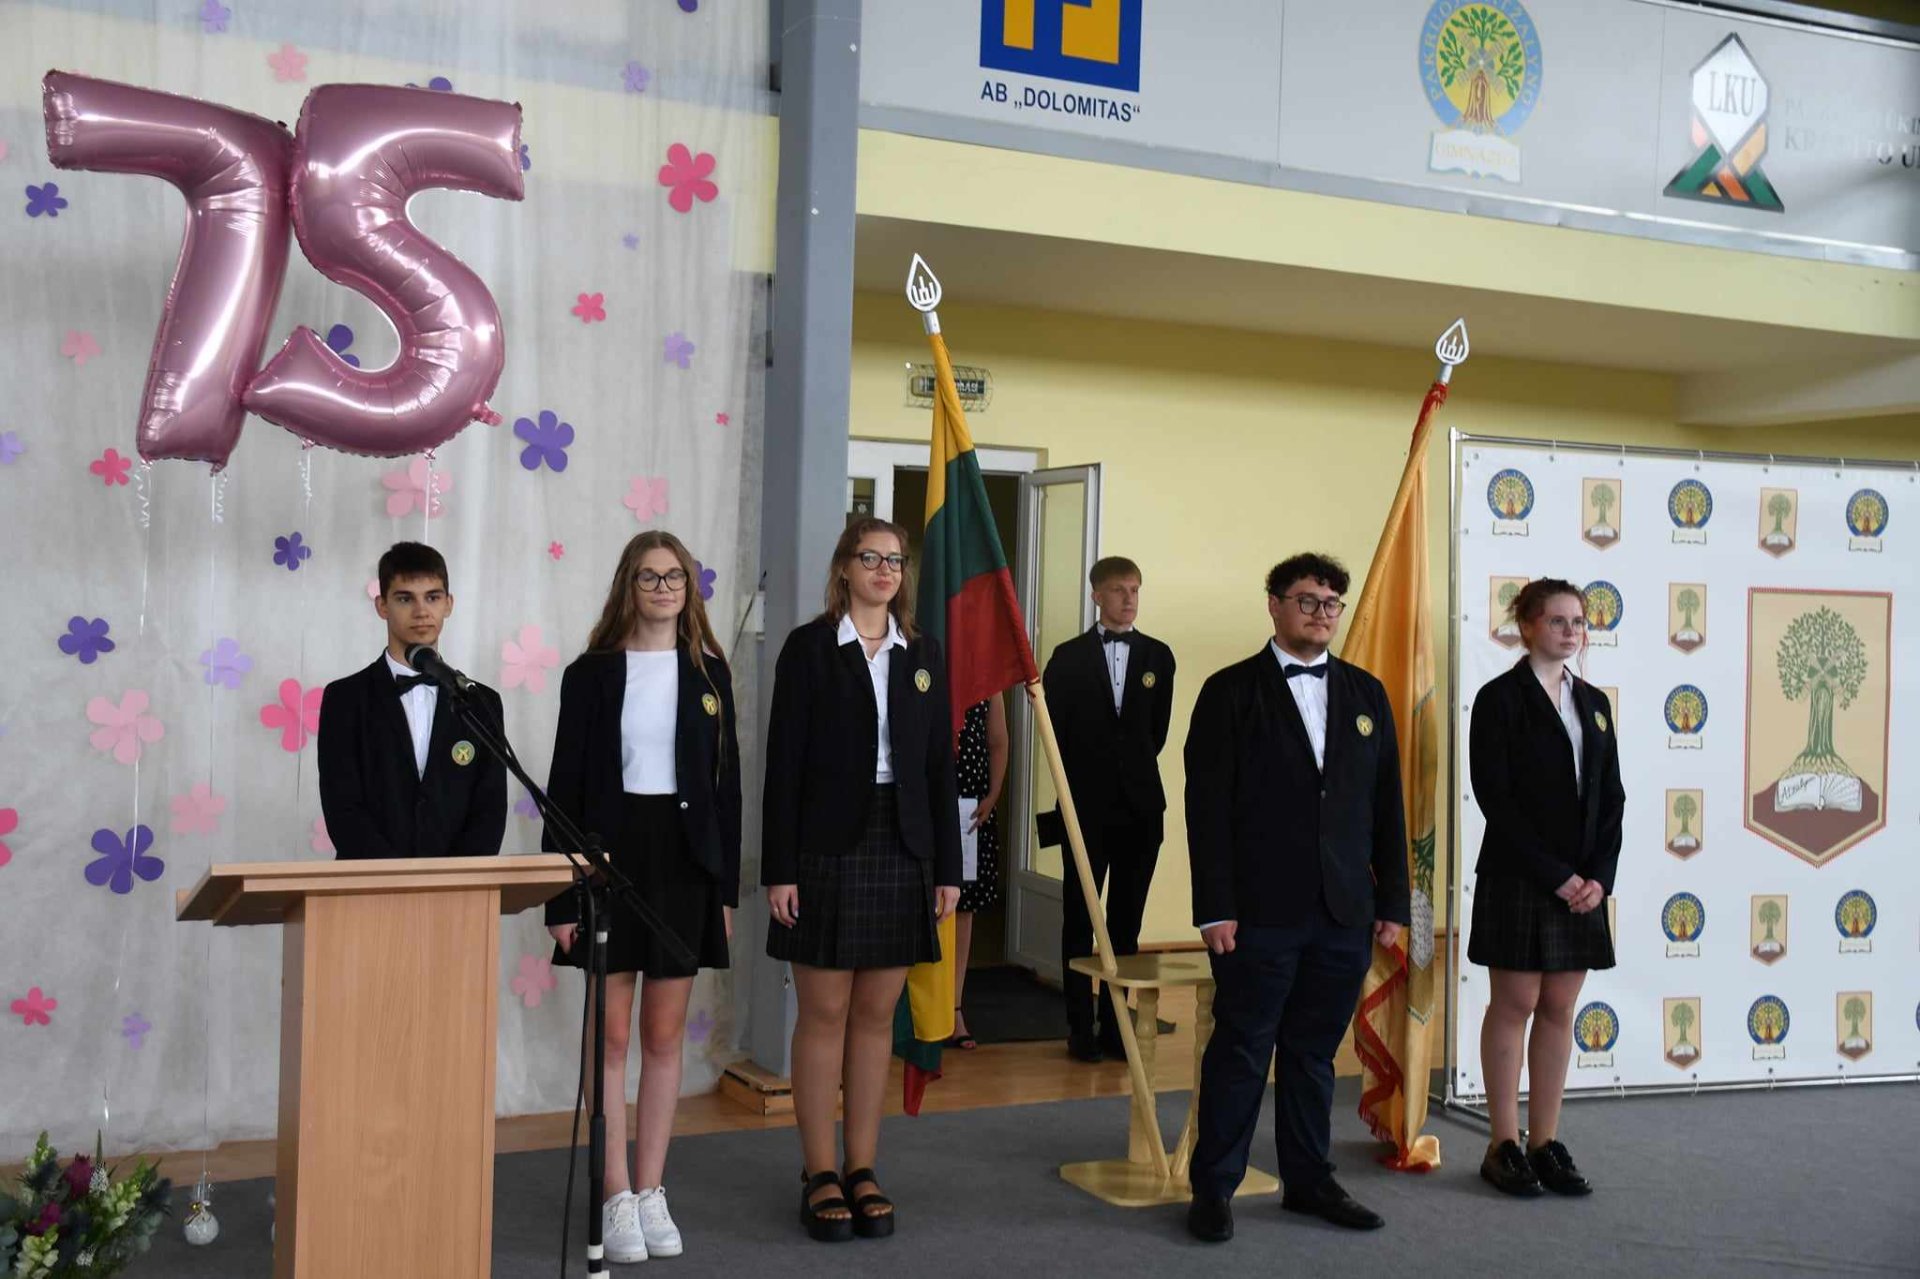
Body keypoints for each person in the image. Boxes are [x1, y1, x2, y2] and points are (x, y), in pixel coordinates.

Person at [1183, 553, 1409, 1243]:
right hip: (1256, 912)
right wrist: (1214, 905)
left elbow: (1386, 807)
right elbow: (1206, 807)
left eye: (1332, 602)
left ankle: (1309, 1181)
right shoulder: (1229, 691)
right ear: (1275, 604)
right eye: (1307, 600)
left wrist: (1394, 904)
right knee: (1243, 1050)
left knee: (1313, 1054)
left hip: (1343, 911)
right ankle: (1214, 1188)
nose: (1321, 613)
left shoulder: (1367, 693)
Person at [541, 531, 741, 1263]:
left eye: (675, 576)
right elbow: (563, 784)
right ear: (628, 584)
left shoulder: (710, 673)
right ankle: (615, 1191)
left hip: (683, 866)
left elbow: (727, 791)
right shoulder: (589, 674)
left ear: (689, 588)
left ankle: (652, 1187)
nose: (663, 588)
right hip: (608, 861)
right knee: (612, 1036)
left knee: (663, 1035)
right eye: (650, 576)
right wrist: (561, 897)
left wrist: (724, 890)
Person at [763, 517, 961, 1242]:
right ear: (844, 567)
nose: (884, 570)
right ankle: (819, 1170)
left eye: (895, 560)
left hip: (903, 845)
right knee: (824, 1013)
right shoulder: (810, 648)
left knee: (878, 1014)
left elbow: (938, 767)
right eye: (870, 557)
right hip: (825, 847)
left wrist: (947, 869)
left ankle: (863, 1165)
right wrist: (779, 868)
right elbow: (783, 763)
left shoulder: (923, 653)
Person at [1468, 578, 1622, 1199]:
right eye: (1557, 621)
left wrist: (1599, 878)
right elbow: (1496, 799)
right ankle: (1503, 1144)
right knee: (1516, 1003)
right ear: (1527, 626)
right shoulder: (1499, 699)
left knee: (1560, 1005)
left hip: (1583, 885)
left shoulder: (1594, 701)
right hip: (1520, 875)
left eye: (1578, 621)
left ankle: (1544, 1142)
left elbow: (1611, 798)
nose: (1571, 632)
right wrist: (1556, 876)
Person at [1041, 555, 1175, 1061]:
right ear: (1097, 595)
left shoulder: (1159, 656)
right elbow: (1056, 732)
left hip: (1140, 810)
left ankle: (1117, 1027)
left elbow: (1155, 735)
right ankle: (1079, 1027)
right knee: (1080, 918)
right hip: (1084, 810)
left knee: (1126, 924)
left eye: (1135, 589)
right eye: (1119, 590)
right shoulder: (1068, 657)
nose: (1129, 599)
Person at [319, 541, 506, 861]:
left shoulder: (480, 701)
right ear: (382, 606)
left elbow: (489, 808)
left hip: (460, 886)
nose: (421, 611)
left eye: (432, 597)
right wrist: (396, 878)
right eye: (405, 598)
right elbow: (343, 807)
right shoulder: (345, 699)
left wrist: (454, 878)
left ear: (448, 604)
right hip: (369, 883)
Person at [950, 694, 1009, 1050]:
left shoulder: (987, 681)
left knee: (963, 905)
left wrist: (993, 793)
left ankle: (954, 1008)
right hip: (921, 799)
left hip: (970, 806)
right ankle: (909, 1012)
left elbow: (998, 741)